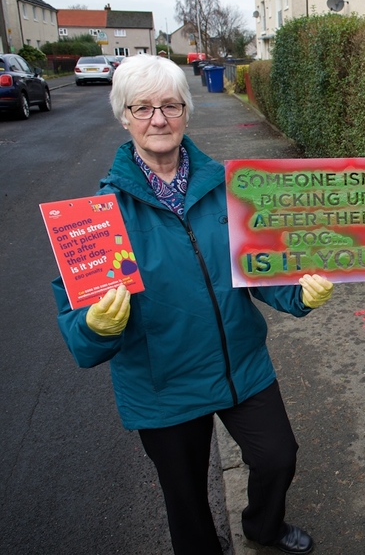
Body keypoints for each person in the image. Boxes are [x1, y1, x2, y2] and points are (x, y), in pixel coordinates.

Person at [52, 54, 331, 555]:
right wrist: (96, 325)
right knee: (185, 501)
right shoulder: (97, 216)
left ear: (186, 112)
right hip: (163, 384)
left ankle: (263, 527)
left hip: (240, 367)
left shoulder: (232, 186)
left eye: (170, 105)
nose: (158, 119)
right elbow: (80, 336)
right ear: (123, 116)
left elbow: (260, 266)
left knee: (278, 458)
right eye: (142, 108)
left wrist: (299, 292)